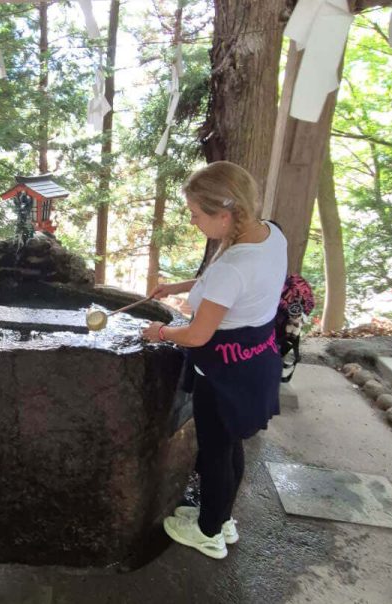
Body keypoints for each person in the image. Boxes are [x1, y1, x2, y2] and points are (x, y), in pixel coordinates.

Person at [141, 161, 287, 560]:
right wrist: (179, 286)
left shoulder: (234, 266)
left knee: (216, 452)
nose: (193, 221)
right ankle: (221, 518)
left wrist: (160, 332)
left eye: (195, 214)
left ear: (224, 214)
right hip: (257, 361)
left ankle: (208, 533)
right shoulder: (271, 233)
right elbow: (231, 285)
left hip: (225, 370)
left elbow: (196, 335)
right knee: (230, 444)